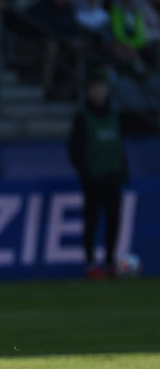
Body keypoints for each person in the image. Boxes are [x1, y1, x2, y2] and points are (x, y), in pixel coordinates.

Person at [68, 69, 127, 280]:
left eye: (101, 89)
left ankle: (110, 261)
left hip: (113, 177)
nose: (98, 93)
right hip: (93, 180)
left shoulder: (114, 116)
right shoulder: (83, 118)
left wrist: (122, 171)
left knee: (114, 221)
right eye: (94, 89)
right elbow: (74, 151)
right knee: (91, 221)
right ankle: (91, 262)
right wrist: (86, 173)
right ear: (88, 92)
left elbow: (119, 147)